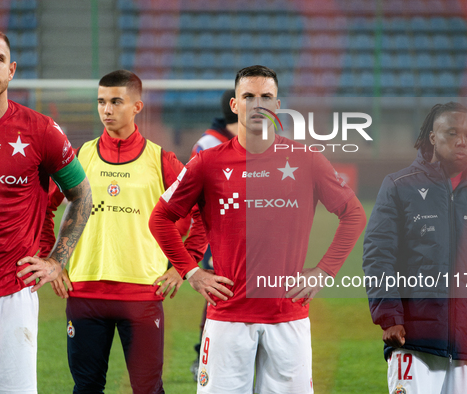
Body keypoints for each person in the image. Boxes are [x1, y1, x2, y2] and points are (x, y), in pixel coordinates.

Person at [150, 65, 367, 394]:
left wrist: (324, 271)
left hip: (288, 316)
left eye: (266, 97)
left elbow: (353, 213)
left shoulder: (306, 160)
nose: (257, 105)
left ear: (278, 106)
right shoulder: (206, 163)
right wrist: (191, 272)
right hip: (227, 317)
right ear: (235, 106)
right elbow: (160, 218)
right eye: (248, 96)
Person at [42, 69, 207, 394]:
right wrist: (52, 260)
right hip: (85, 293)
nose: (107, 109)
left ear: (137, 107)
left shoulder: (160, 160)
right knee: (86, 388)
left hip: (143, 295)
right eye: (101, 101)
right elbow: (44, 207)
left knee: (147, 388)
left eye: (116, 101)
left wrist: (184, 265)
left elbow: (202, 209)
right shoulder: (80, 156)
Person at [0, 27, 92, 393]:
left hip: (13, 294)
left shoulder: (41, 131)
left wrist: (57, 260)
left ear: (11, 70)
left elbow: (82, 195)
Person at [362, 102, 467, 394]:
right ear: (433, 137)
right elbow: (378, 256)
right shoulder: (399, 185)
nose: (462, 141)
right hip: (412, 338)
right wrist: (389, 316)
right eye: (452, 132)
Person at [189, 88, 238, 380]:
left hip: (250, 236)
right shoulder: (208, 144)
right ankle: (203, 356)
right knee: (218, 294)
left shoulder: (254, 142)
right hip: (216, 236)